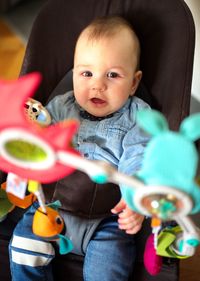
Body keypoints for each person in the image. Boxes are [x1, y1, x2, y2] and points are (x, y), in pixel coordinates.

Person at [9, 16, 150, 281]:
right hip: (50, 208)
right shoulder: (61, 107)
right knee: (23, 248)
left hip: (106, 221)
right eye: (86, 73)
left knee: (109, 268)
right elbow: (40, 143)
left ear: (133, 82)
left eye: (113, 75)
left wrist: (134, 200)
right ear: (74, 74)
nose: (98, 85)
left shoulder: (138, 117)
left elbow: (138, 158)